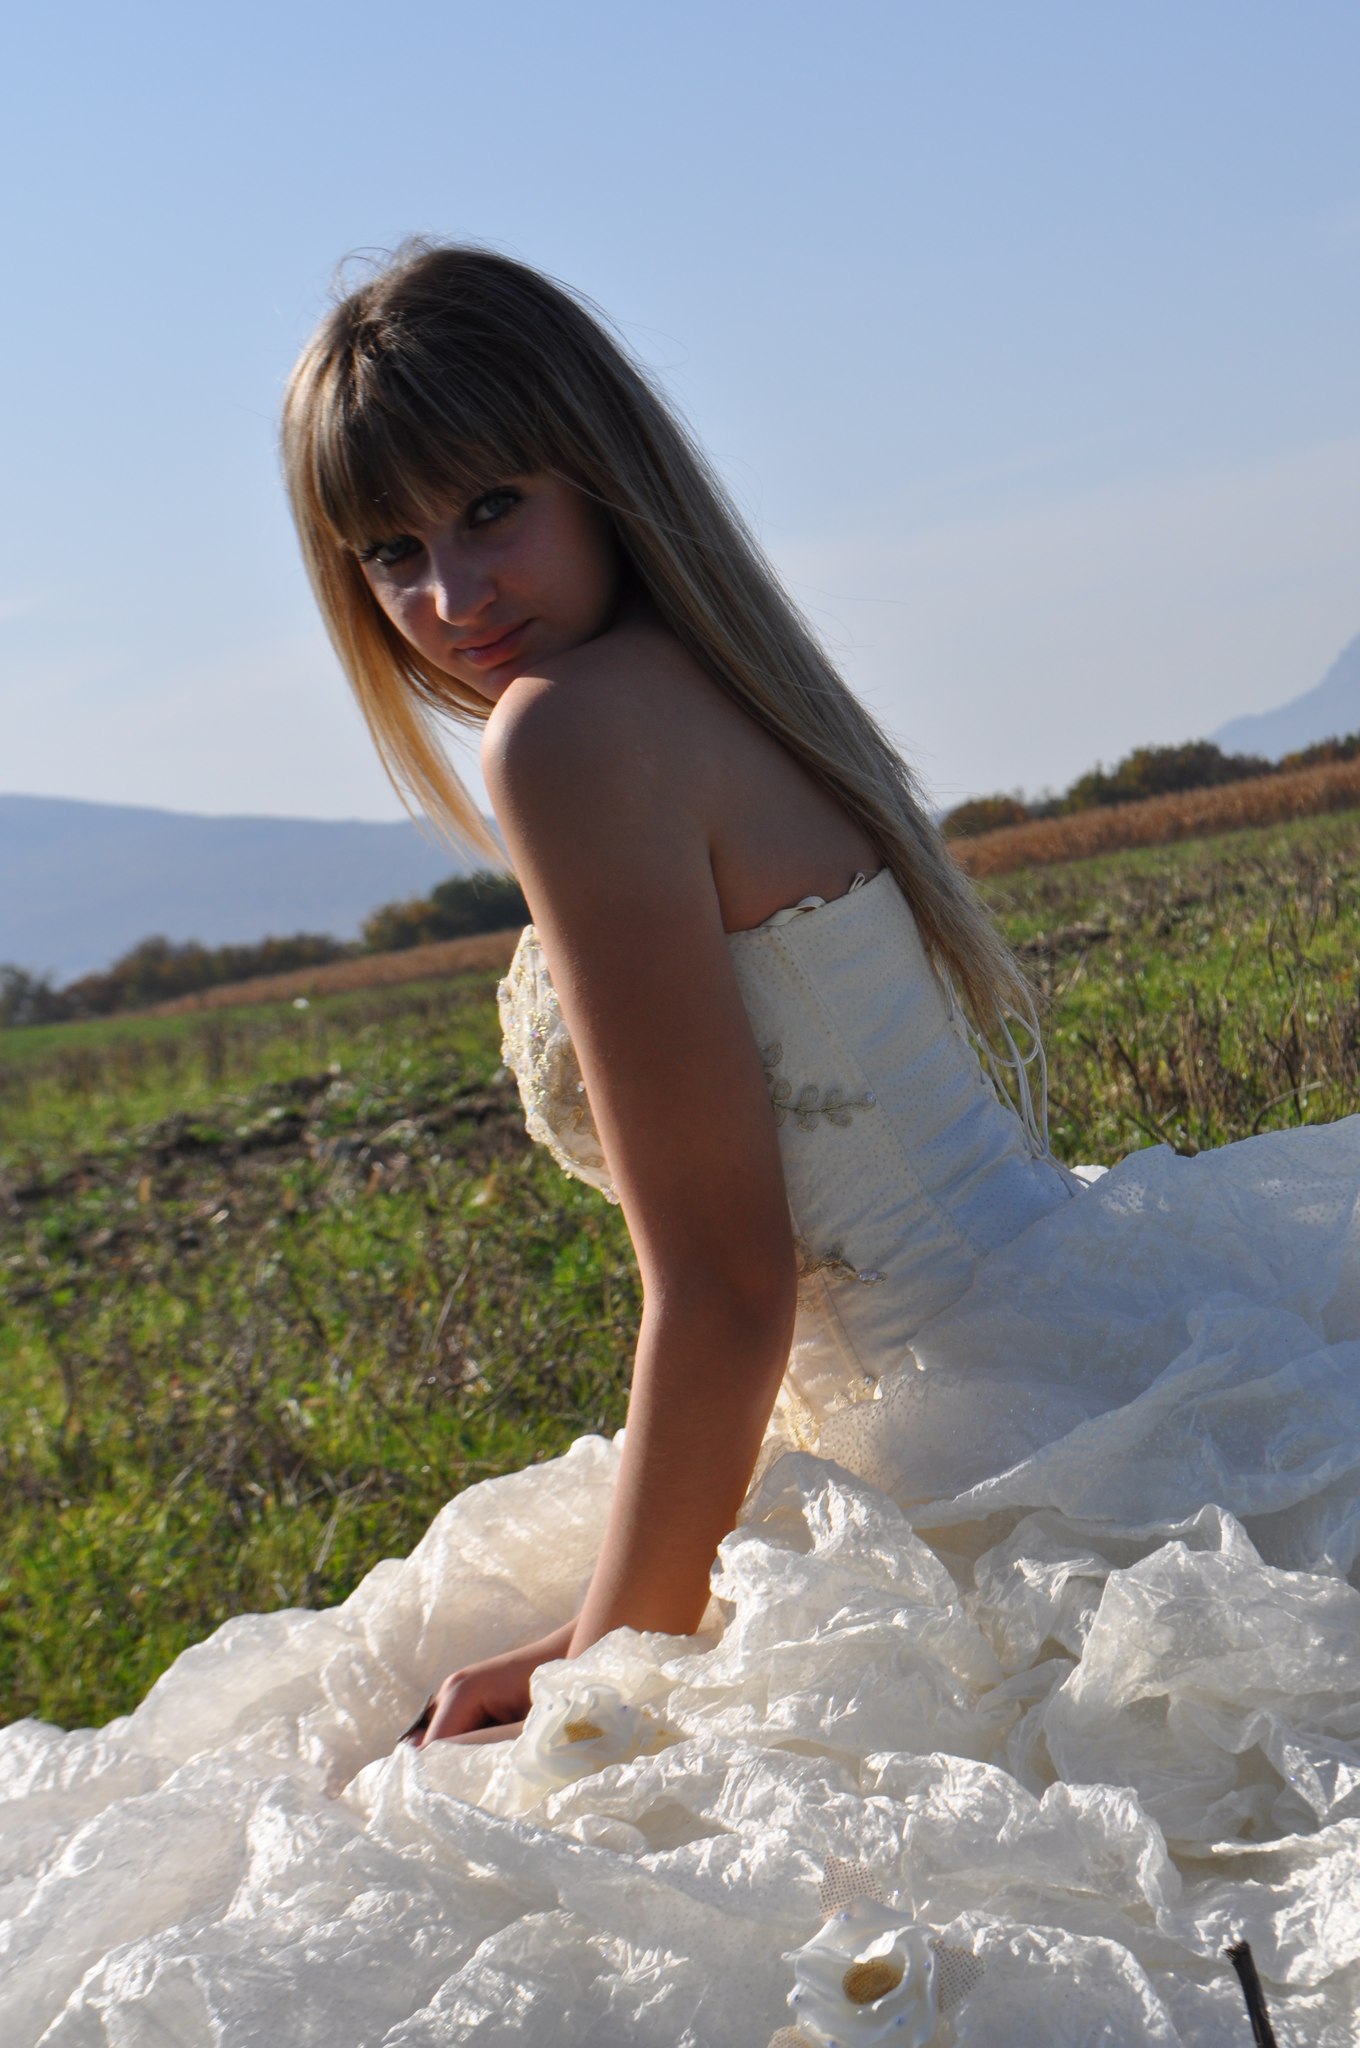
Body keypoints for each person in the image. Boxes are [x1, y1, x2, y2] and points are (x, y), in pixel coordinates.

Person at [4, 244, 1359, 2047]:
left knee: (417, 1829)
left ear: (600, 468)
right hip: (1073, 1308)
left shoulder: (571, 738)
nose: (451, 595)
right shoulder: (711, 682)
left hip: (957, 1397)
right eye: (390, 549)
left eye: (492, 507)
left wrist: (606, 1660)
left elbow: (724, 1286)